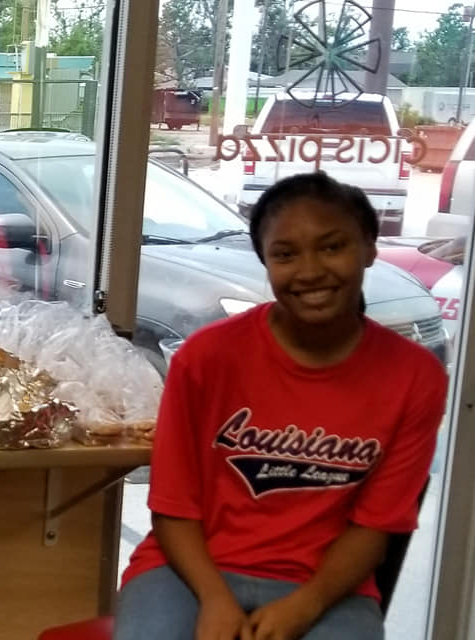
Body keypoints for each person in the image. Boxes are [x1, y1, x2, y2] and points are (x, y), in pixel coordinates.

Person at [114, 172, 447, 640]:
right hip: (188, 571)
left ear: (370, 248)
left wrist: (304, 607)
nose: (310, 271)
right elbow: (173, 507)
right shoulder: (206, 358)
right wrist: (214, 599)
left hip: (324, 584)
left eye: (332, 247)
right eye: (286, 254)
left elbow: (376, 526)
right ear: (265, 261)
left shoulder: (415, 376)